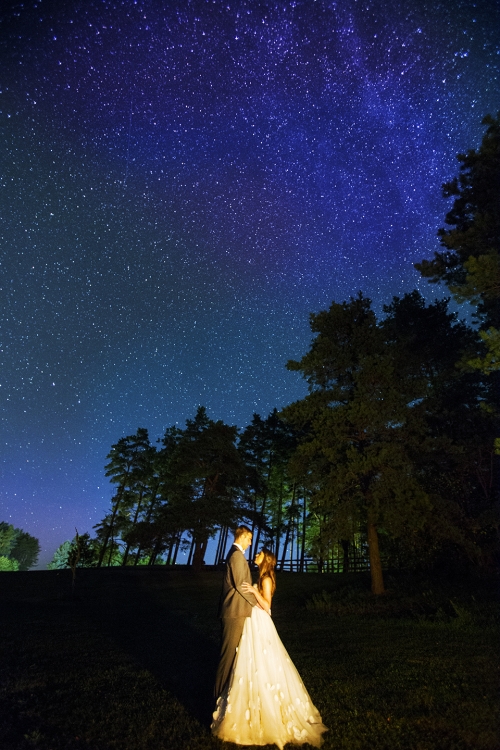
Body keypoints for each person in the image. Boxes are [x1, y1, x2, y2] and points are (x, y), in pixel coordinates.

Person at [212, 548, 328, 748]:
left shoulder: (266, 579)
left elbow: (267, 606)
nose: (256, 555)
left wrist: (255, 591)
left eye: (259, 553)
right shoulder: (261, 575)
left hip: (261, 622)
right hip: (253, 621)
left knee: (263, 663)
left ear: (266, 559)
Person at [214, 525, 256, 700]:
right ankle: (217, 699)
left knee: (232, 656)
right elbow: (240, 585)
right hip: (234, 612)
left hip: (236, 611)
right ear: (242, 536)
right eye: (249, 539)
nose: (250, 543)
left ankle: (225, 696)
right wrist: (257, 603)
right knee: (228, 656)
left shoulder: (235, 554)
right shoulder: (237, 556)